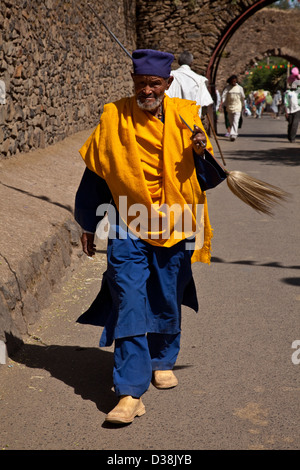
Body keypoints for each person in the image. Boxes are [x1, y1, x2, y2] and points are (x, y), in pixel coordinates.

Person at [74, 49, 215, 425]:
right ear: (133, 84)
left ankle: (163, 357)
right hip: (127, 221)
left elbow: (208, 178)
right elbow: (96, 175)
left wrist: (199, 153)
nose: (147, 90)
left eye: (154, 83)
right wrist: (89, 222)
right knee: (129, 295)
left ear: (167, 84)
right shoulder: (113, 117)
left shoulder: (187, 118)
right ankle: (130, 391)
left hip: (176, 219)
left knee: (167, 292)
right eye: (141, 84)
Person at [165, 50, 213, 118]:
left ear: (178, 62)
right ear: (191, 63)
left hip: (172, 118)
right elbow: (205, 102)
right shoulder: (199, 80)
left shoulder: (169, 76)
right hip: (191, 120)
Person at [221, 75, 245, 141]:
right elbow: (223, 96)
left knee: (236, 120)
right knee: (231, 121)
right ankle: (232, 132)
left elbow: (242, 97)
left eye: (235, 81)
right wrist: (222, 104)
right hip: (229, 107)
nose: (234, 82)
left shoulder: (240, 88)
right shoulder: (227, 88)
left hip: (238, 106)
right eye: (232, 81)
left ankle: (233, 134)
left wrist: (243, 105)